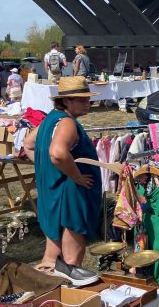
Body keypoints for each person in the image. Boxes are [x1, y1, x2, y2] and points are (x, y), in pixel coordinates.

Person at [23, 77, 101, 286]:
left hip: (53, 192)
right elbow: (57, 153)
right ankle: (67, 302)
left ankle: (41, 296)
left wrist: (47, 169)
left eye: (88, 99)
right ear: (66, 101)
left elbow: (28, 145)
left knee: (51, 259)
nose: (88, 104)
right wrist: (75, 176)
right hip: (70, 195)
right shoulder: (66, 123)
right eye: (82, 99)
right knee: (70, 264)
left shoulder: (51, 119)